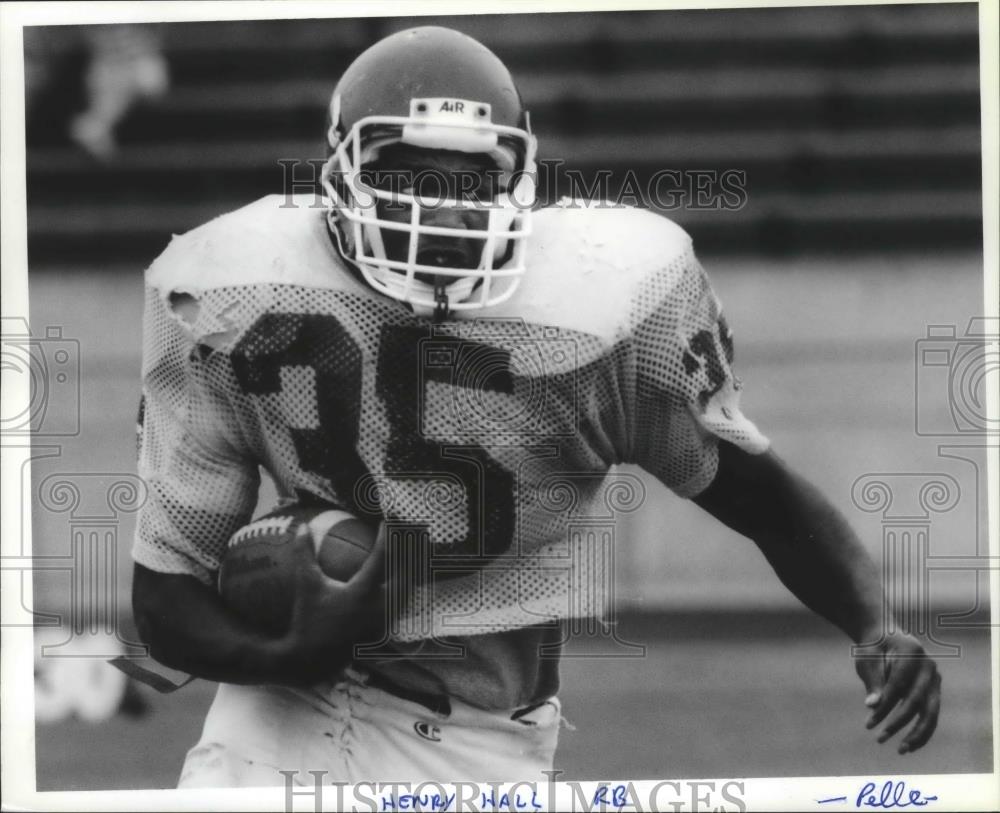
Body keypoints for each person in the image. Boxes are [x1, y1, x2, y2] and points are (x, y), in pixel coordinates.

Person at [129, 26, 941, 787]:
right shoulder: (229, 291)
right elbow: (165, 593)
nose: (441, 207)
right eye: (406, 173)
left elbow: (764, 499)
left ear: (517, 174)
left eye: (472, 178)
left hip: (483, 740)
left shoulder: (606, 307)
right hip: (277, 722)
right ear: (339, 168)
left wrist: (872, 621)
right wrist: (288, 654)